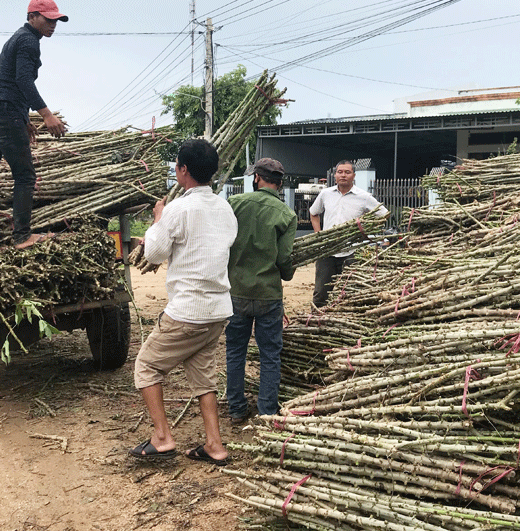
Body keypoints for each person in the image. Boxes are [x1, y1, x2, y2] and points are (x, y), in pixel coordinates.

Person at [130, 138, 238, 466]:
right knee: (203, 375)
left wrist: (158, 219)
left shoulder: (177, 209)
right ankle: (214, 445)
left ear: (184, 171)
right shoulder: (225, 207)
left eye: (177, 165)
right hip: (217, 310)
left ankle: (162, 437)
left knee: (146, 366)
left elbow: (154, 253)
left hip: (188, 312)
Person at [0, 0, 68, 251]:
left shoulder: (17, 38)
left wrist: (22, 119)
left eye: (56, 20)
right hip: (3, 115)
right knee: (24, 175)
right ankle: (22, 237)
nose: (53, 24)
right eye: (48, 19)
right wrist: (45, 114)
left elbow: (4, 82)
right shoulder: (29, 41)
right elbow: (23, 80)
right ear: (32, 16)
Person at [225, 158, 297, 422]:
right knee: (269, 356)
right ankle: (267, 410)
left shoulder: (234, 204)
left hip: (236, 292)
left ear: (257, 178)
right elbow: (284, 260)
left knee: (235, 351)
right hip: (268, 295)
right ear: (280, 183)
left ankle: (236, 409)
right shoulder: (286, 214)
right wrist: (286, 275)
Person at [309, 160, 387, 308]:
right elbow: (313, 213)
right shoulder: (325, 194)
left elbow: (383, 214)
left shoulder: (364, 196)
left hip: (353, 251)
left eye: (347, 172)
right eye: (340, 172)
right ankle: (316, 322)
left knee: (351, 291)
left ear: (354, 176)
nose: (343, 175)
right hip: (328, 251)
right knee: (321, 292)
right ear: (335, 175)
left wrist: (365, 232)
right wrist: (318, 235)